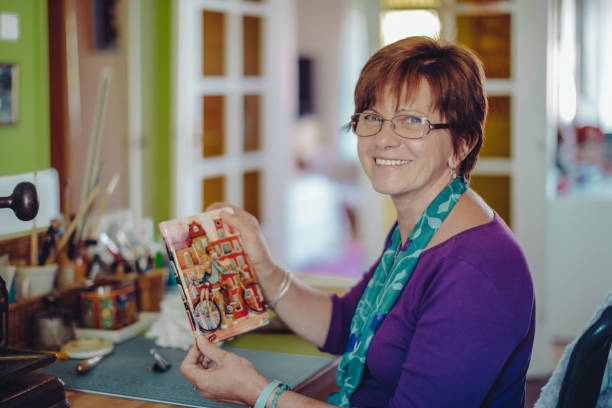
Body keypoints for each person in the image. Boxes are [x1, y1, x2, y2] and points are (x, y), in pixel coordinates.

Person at [180, 36, 535, 407]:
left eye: (412, 121)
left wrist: (257, 392)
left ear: (463, 144)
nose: (383, 138)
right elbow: (346, 324)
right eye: (372, 118)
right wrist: (264, 267)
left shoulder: (476, 269)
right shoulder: (418, 230)